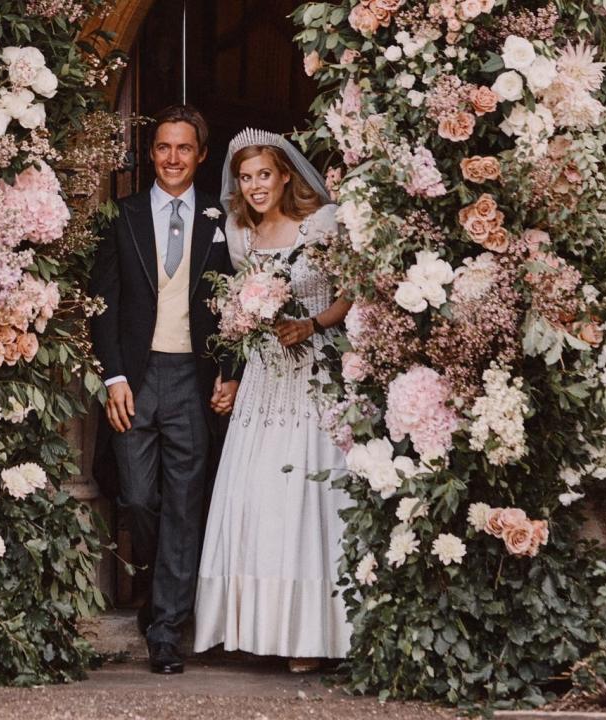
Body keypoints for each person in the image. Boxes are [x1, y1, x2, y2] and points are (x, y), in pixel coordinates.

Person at [193, 129, 354, 673]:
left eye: (264, 174)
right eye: (245, 177)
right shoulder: (240, 234)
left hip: (314, 370)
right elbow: (240, 318)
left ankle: (310, 636)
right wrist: (233, 367)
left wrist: (311, 322)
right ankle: (255, 626)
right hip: (264, 377)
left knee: (307, 495)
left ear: (286, 174)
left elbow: (350, 293)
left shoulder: (322, 224)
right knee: (258, 492)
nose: (255, 186)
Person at [89, 105, 240, 674]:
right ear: (150, 154)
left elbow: (237, 308)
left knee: (184, 504)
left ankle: (166, 630)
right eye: (162, 148)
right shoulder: (122, 216)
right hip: (136, 375)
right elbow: (102, 304)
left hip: (192, 380)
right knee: (136, 498)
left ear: (201, 155)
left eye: (184, 149)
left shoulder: (221, 222)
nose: (172, 159)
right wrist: (114, 376)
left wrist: (228, 371)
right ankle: (156, 587)